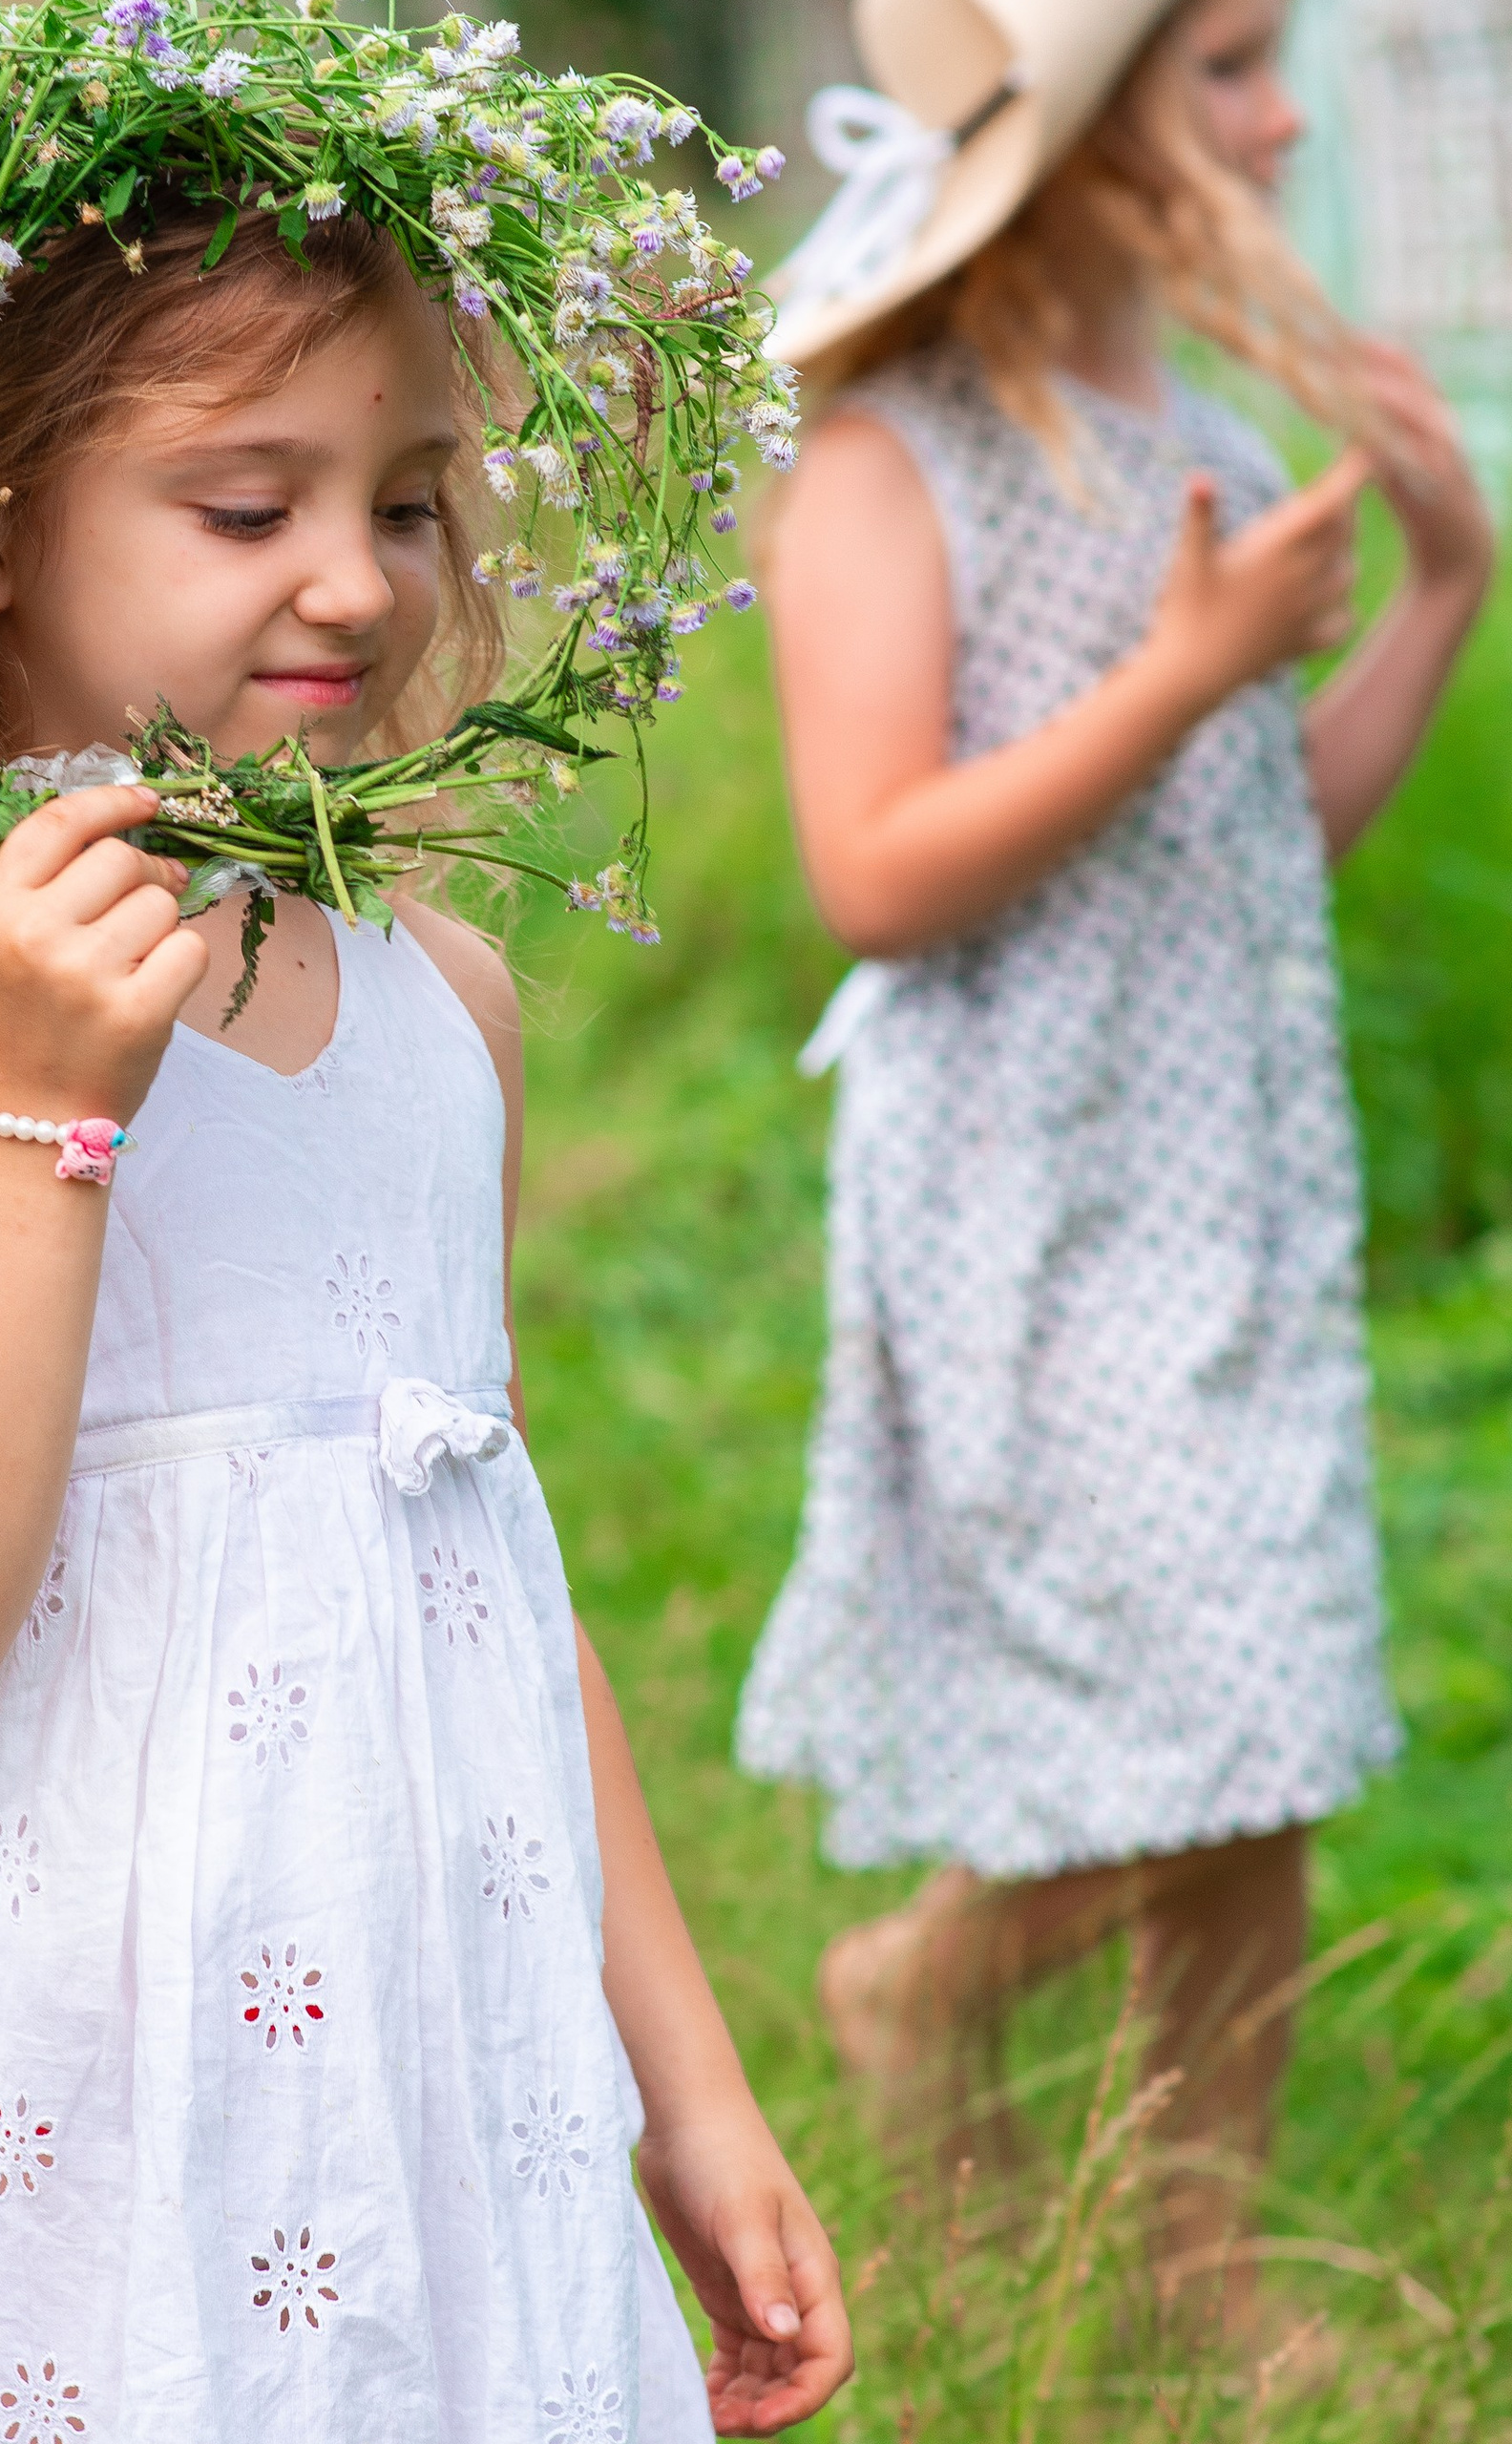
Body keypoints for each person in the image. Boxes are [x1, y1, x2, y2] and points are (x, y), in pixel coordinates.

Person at [0, 199, 851, 2441]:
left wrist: (682, 2087)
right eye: (242, 503)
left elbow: (482, 1558)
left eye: (400, 500)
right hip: (36, 2050)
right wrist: (43, 1111)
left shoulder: (442, 1003)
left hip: (414, 2034)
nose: (355, 577)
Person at [735, 0, 1495, 2336]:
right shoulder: (897, 460)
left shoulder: (1176, 427)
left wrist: (1438, 598)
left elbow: (1247, 846)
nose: (1280, 116)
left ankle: (1195, 2244)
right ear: (1065, 146)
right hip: (1032, 1213)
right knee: (1197, 1703)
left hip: (1223, 1184)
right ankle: (923, 1979)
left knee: (1256, 1717)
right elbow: (870, 867)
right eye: (1228, 67)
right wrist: (1172, 675)